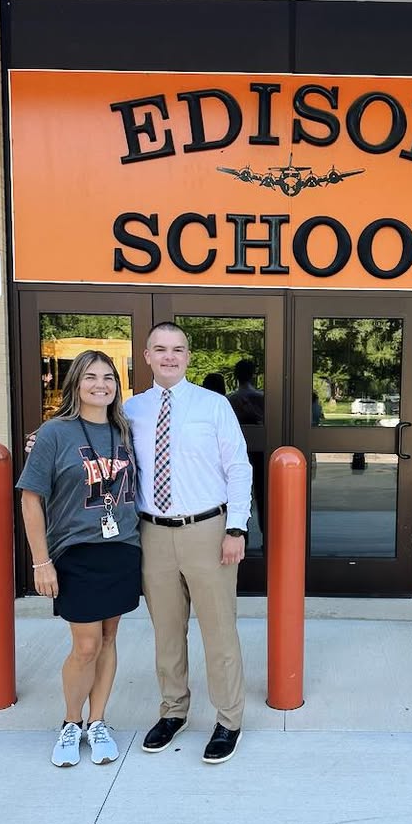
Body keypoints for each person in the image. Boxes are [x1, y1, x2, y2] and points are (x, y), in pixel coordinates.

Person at [125, 322, 253, 764]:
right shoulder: (131, 410)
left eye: (177, 349)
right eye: (160, 349)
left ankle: (229, 719)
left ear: (188, 356)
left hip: (208, 531)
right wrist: (45, 439)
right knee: (166, 632)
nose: (169, 357)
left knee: (219, 632)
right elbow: (96, 443)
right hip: (153, 533)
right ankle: (173, 711)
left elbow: (238, 467)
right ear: (147, 356)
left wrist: (236, 528)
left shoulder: (213, 405)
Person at [16, 350, 140, 769]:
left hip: (122, 549)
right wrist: (41, 561)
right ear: (75, 384)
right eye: (90, 377)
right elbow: (31, 499)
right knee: (85, 646)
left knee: (108, 639)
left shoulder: (125, 431)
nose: (100, 384)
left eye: (108, 377)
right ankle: (71, 722)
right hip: (75, 552)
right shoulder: (54, 433)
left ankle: (98, 721)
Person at [227, 358, 266, 538]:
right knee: (262, 495)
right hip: (260, 453)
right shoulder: (261, 398)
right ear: (253, 375)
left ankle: (241, 534)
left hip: (237, 452)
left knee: (238, 494)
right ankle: (267, 535)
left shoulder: (230, 400)